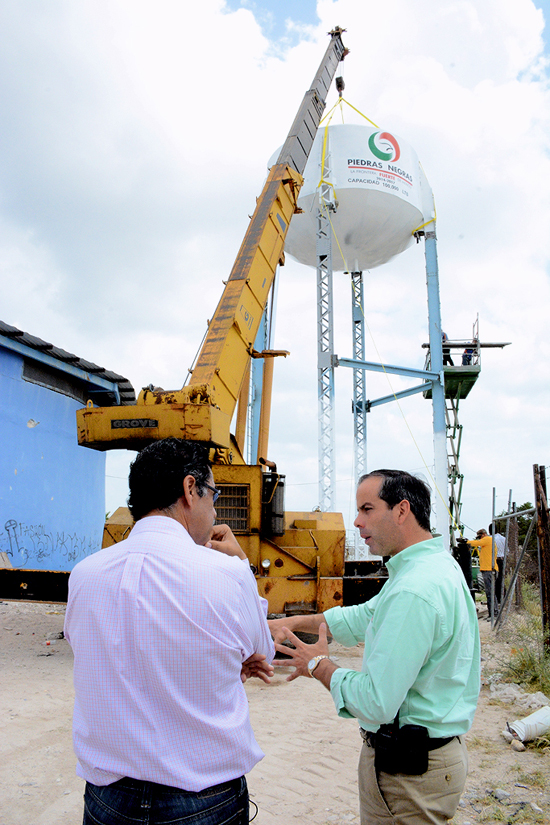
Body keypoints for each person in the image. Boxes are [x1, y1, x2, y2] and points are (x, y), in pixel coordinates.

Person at [65, 437, 275, 825]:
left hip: (108, 798)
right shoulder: (226, 573)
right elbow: (263, 651)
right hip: (203, 798)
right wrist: (242, 566)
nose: (214, 512)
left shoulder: (85, 574)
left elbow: (103, 656)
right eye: (213, 495)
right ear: (190, 489)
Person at [269, 470, 480, 825]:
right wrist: (294, 622)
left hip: (408, 774)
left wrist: (318, 663)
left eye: (367, 509)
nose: (356, 520)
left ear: (401, 510)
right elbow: (365, 616)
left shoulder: (414, 589)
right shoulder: (429, 566)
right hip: (425, 762)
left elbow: (376, 701)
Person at [467, 528, 499, 620]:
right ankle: (492, 613)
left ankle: (494, 614)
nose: (479, 539)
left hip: (489, 570)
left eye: (480, 537)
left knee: (490, 593)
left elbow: (475, 543)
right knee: (490, 592)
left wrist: (466, 542)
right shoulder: (487, 542)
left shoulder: (487, 539)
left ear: (484, 534)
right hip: (488, 570)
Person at [488, 523, 506, 603]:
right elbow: (507, 551)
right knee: (501, 578)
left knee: (493, 579)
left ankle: (495, 598)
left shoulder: (490, 539)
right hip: (502, 559)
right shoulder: (503, 538)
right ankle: (502, 597)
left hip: (493, 560)